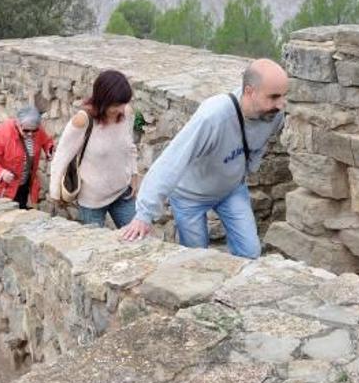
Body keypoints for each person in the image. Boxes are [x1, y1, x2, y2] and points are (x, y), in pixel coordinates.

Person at [120, 58, 288, 258]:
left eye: (283, 96)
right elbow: (173, 160)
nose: (281, 104)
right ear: (250, 91)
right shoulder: (214, 116)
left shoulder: (273, 114)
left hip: (231, 190)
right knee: (196, 258)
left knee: (250, 252)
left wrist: (249, 168)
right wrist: (144, 214)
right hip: (190, 196)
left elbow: (258, 145)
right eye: (274, 96)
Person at [49, 70, 139, 228]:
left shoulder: (125, 114)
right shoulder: (83, 120)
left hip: (122, 192)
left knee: (139, 240)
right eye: (116, 105)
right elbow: (62, 156)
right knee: (96, 248)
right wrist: (56, 193)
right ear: (103, 100)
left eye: (124, 103)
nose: (121, 109)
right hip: (92, 200)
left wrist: (134, 174)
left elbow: (129, 147)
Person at [0, 106, 55, 209]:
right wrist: (1, 172)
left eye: (34, 131)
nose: (30, 134)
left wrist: (49, 149)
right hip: (5, 186)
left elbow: (46, 141)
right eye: (26, 131)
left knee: (21, 209)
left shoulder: (36, 129)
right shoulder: (5, 133)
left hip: (23, 183)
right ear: (18, 124)